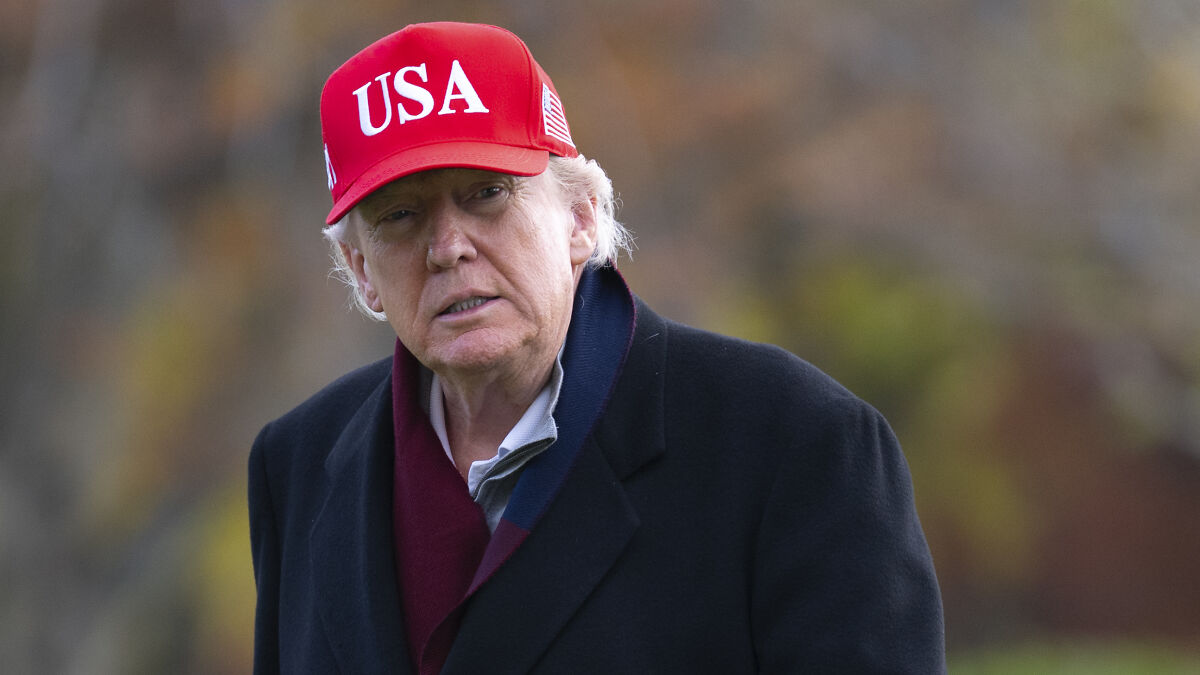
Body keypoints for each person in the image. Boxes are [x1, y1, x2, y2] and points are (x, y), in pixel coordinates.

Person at [248, 21, 945, 674]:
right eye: (399, 215)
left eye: (487, 193)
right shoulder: (298, 467)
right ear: (362, 272)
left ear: (581, 217)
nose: (448, 247)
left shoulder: (795, 443)